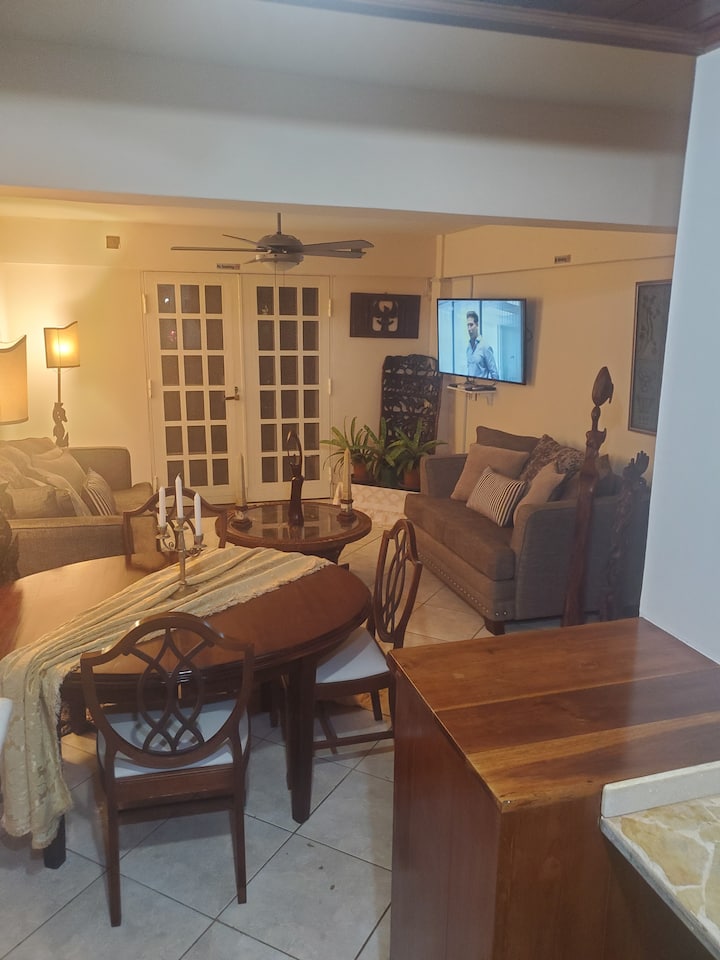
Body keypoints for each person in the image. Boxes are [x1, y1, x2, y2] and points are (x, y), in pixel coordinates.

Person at [466, 311, 498, 379]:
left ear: (477, 325)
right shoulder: (468, 348)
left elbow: (495, 374)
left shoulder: (485, 347)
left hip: (482, 385)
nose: (469, 329)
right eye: (468, 325)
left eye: (471, 325)